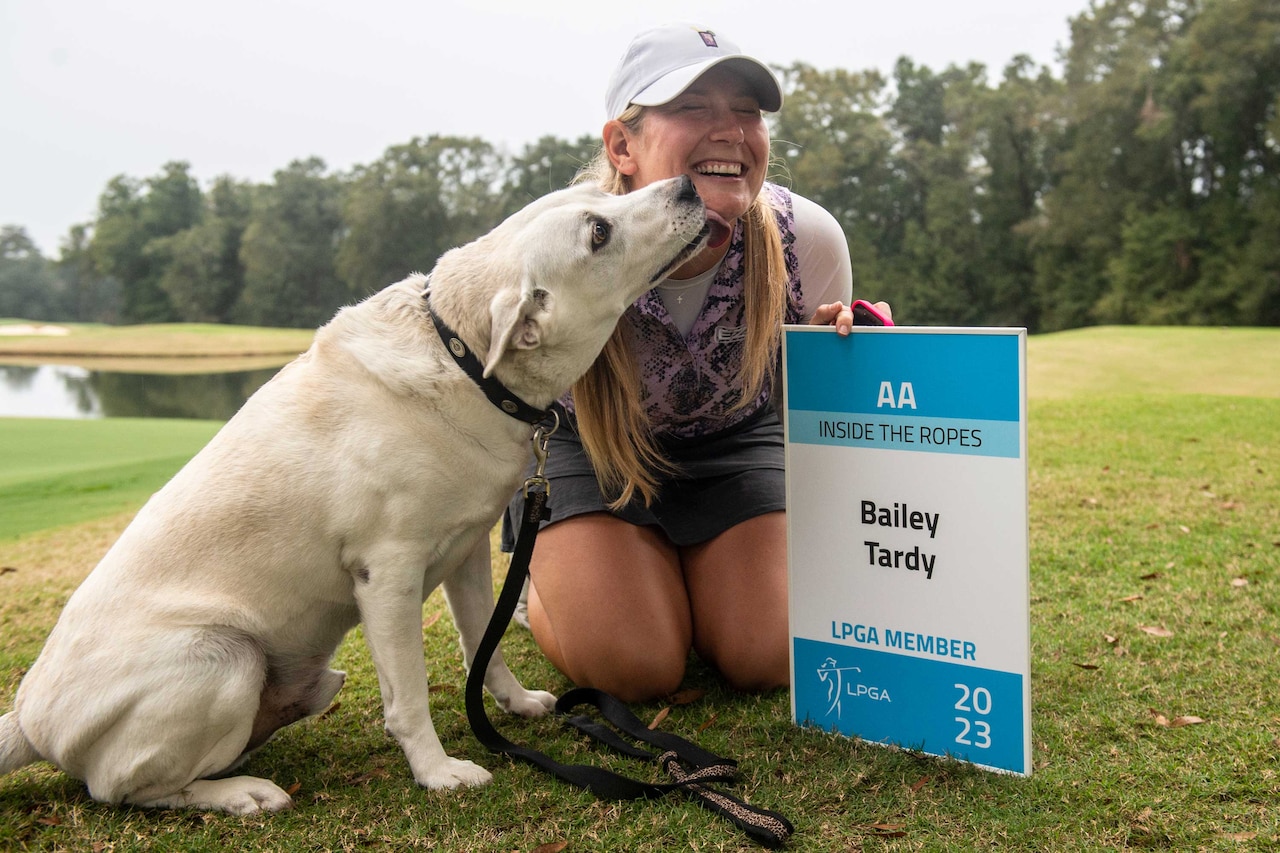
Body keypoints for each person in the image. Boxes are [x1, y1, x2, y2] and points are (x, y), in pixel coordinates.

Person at [502, 22, 892, 703]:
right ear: (622, 145)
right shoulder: (551, 245)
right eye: (692, 108)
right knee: (636, 668)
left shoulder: (811, 239)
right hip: (592, 451)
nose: (731, 132)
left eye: (747, 112)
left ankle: (687, 578)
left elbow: (817, 419)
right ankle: (553, 576)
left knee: (770, 653)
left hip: (734, 447)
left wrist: (850, 351)